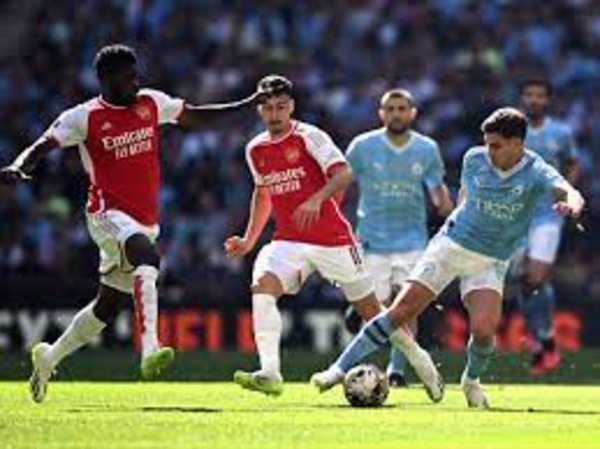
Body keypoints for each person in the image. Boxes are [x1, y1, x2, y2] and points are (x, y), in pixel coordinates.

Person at [0, 44, 270, 403]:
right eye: (127, 78)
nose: (135, 83)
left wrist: (247, 102)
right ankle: (150, 349)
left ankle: (49, 357)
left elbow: (197, 116)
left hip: (144, 220)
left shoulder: (151, 103)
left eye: (136, 75)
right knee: (149, 258)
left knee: (106, 307)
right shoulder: (85, 117)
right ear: (105, 80)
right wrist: (20, 166)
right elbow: (42, 146)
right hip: (105, 214)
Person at [311, 107, 584, 408]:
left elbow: (570, 192)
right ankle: (336, 370)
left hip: (491, 259)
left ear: (518, 143)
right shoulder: (474, 158)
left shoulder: (537, 171)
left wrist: (572, 205)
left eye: (496, 145)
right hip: (450, 247)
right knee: (400, 312)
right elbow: (464, 198)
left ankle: (470, 381)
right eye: (487, 142)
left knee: (483, 331)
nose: (488, 150)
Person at [224, 75, 443, 401]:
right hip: (289, 241)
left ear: (291, 107)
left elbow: (343, 173)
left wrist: (316, 199)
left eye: (281, 107)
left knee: (373, 311)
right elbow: (263, 192)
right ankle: (270, 372)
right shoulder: (255, 149)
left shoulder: (310, 136)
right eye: (268, 108)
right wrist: (249, 238)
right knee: (262, 286)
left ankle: (420, 360)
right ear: (259, 111)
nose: (275, 114)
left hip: (334, 241)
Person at [344, 89, 453, 387]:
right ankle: (363, 356)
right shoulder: (362, 146)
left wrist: (446, 205)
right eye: (390, 108)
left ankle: (396, 371)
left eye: (402, 108)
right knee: (375, 310)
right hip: (370, 240)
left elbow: (438, 193)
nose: (396, 113)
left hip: (412, 240)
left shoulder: (427, 149)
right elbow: (341, 185)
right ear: (381, 114)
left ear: (413, 113)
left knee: (405, 306)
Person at [516, 78, 580, 375]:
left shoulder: (561, 132)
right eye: (529, 95)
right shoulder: (513, 130)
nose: (534, 100)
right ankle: (543, 339)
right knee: (525, 282)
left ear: (547, 100)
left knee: (536, 277)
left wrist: (567, 191)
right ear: (522, 98)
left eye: (539, 95)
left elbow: (572, 164)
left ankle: (543, 338)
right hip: (515, 216)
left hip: (548, 216)